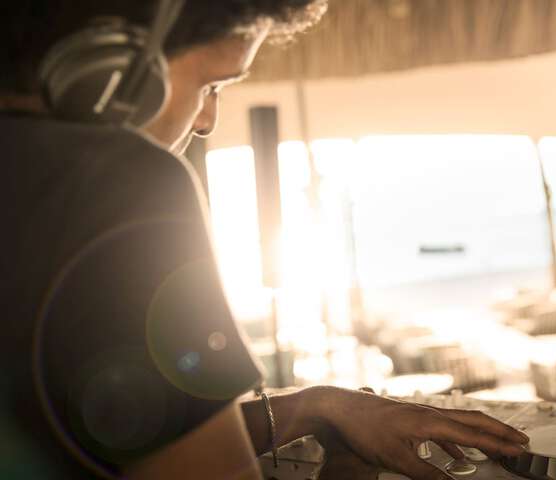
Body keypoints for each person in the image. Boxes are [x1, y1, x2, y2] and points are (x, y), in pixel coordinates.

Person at [0, 1, 529, 479]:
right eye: (211, 86)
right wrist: (348, 470)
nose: (206, 121)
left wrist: (317, 406)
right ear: (118, 68)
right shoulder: (118, 181)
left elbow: (112, 428)